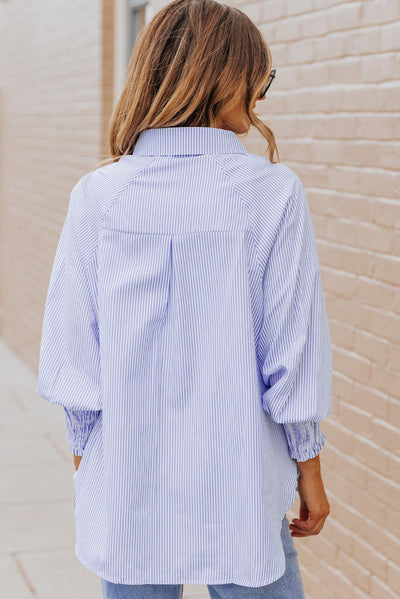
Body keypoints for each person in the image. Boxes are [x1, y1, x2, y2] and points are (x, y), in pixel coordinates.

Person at [36, 0, 332, 597]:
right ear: (228, 79)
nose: (261, 96)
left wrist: (92, 471)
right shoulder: (269, 194)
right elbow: (291, 361)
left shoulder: (98, 196)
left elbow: (73, 361)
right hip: (240, 486)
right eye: (260, 79)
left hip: (127, 490)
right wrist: (311, 475)